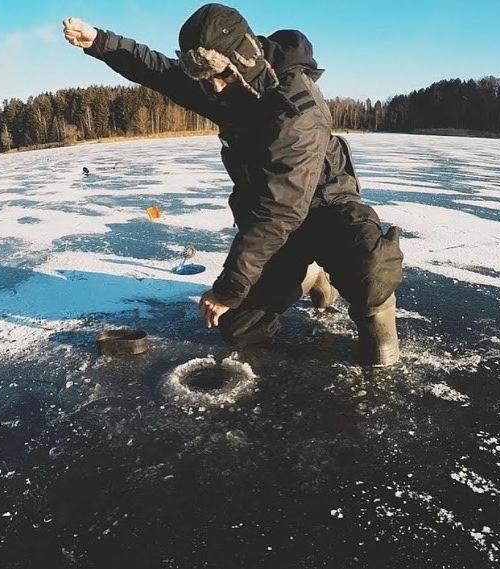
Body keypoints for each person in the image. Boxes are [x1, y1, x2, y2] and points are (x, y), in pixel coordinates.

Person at [63, 3, 404, 365]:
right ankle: (310, 274)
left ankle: (376, 319)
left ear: (243, 59)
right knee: (239, 327)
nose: (212, 87)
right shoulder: (223, 87)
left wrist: (227, 289)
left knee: (368, 266)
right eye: (203, 78)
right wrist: (99, 41)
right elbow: (158, 70)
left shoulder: (295, 108)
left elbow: (280, 210)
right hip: (276, 225)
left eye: (220, 75)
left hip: (325, 209)